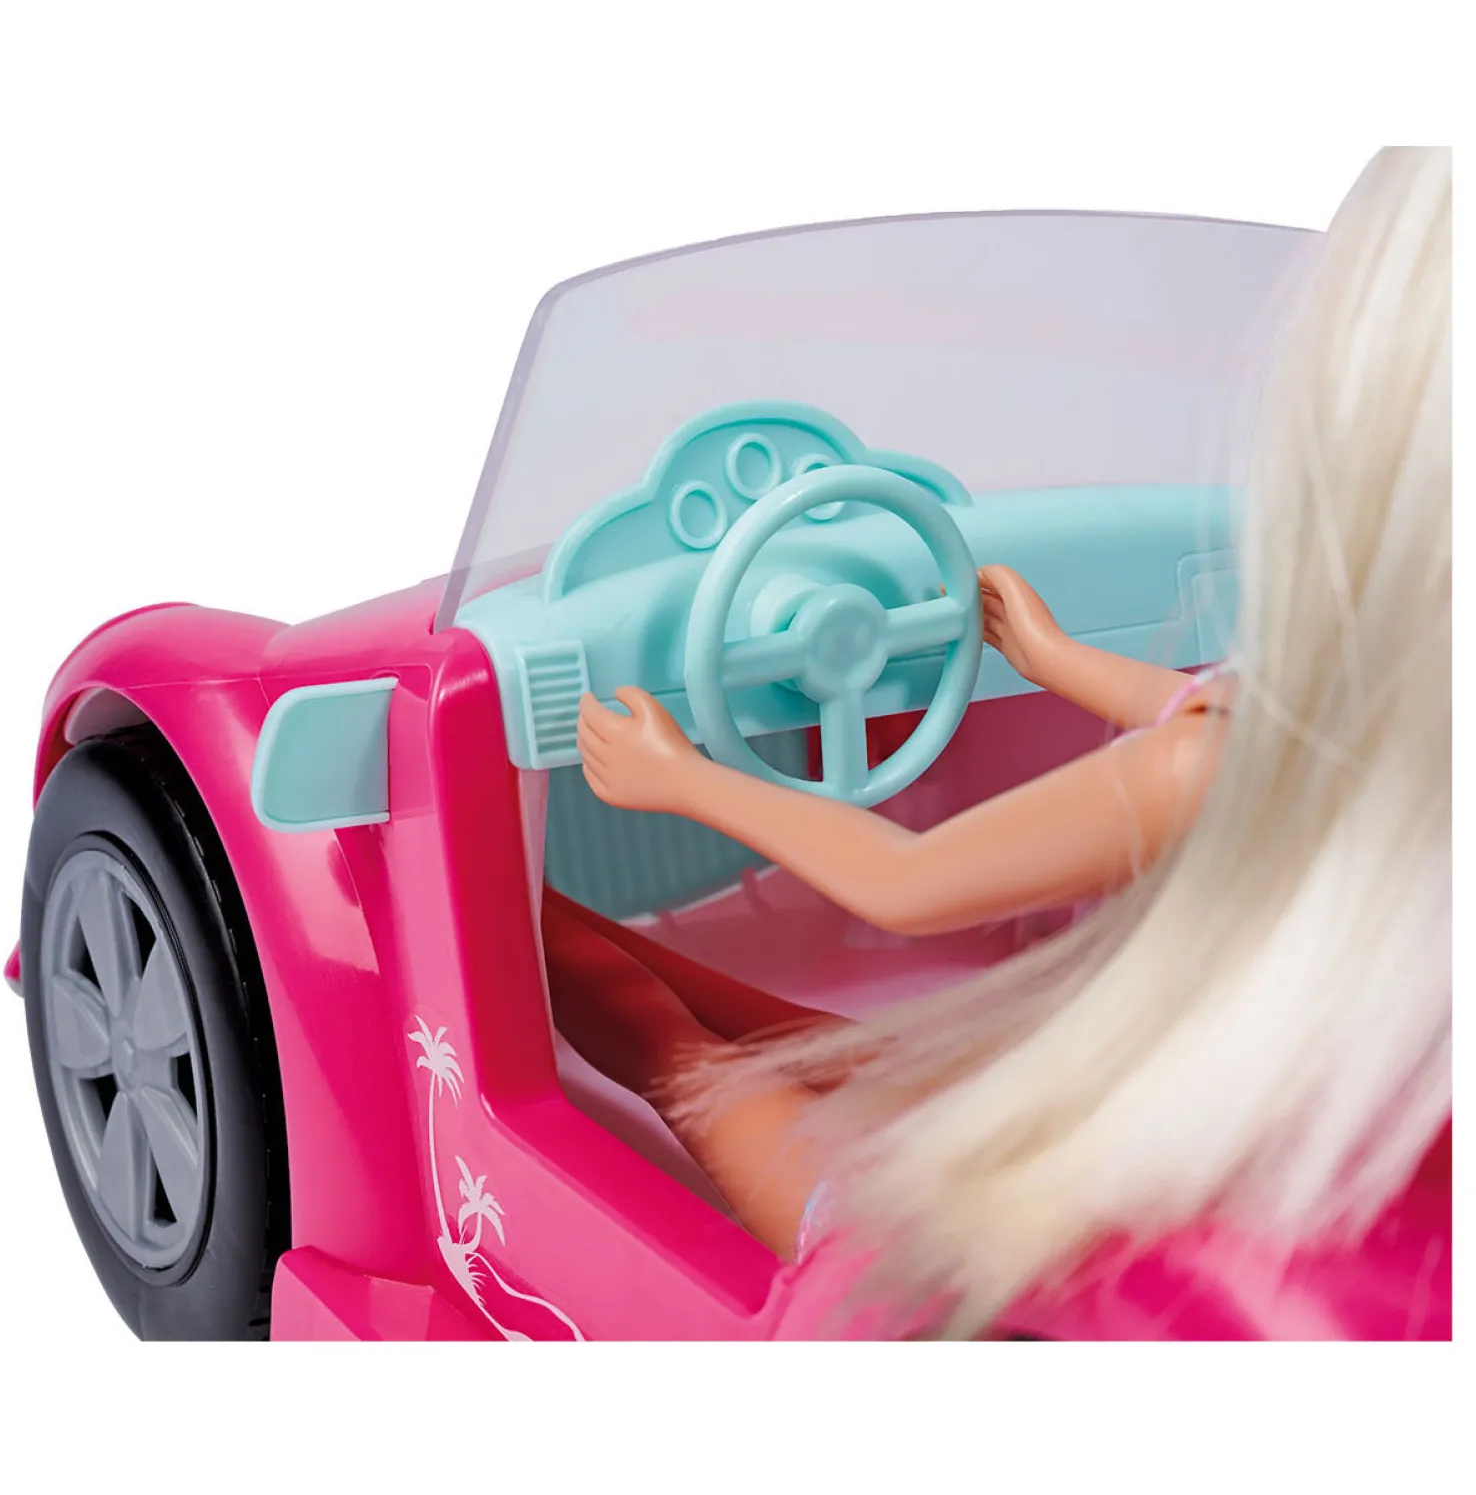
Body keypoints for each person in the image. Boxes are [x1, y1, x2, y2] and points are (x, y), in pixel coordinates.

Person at [544, 145, 1451, 1338]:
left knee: (680, 1059)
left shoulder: (1227, 766)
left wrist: (687, 780)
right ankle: (549, 937)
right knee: (857, 1050)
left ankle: (556, 958)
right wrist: (1057, 660)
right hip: (1216, 1117)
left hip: (1106, 1187)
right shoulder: (1350, 752)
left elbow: (909, 880)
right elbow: (1210, 709)